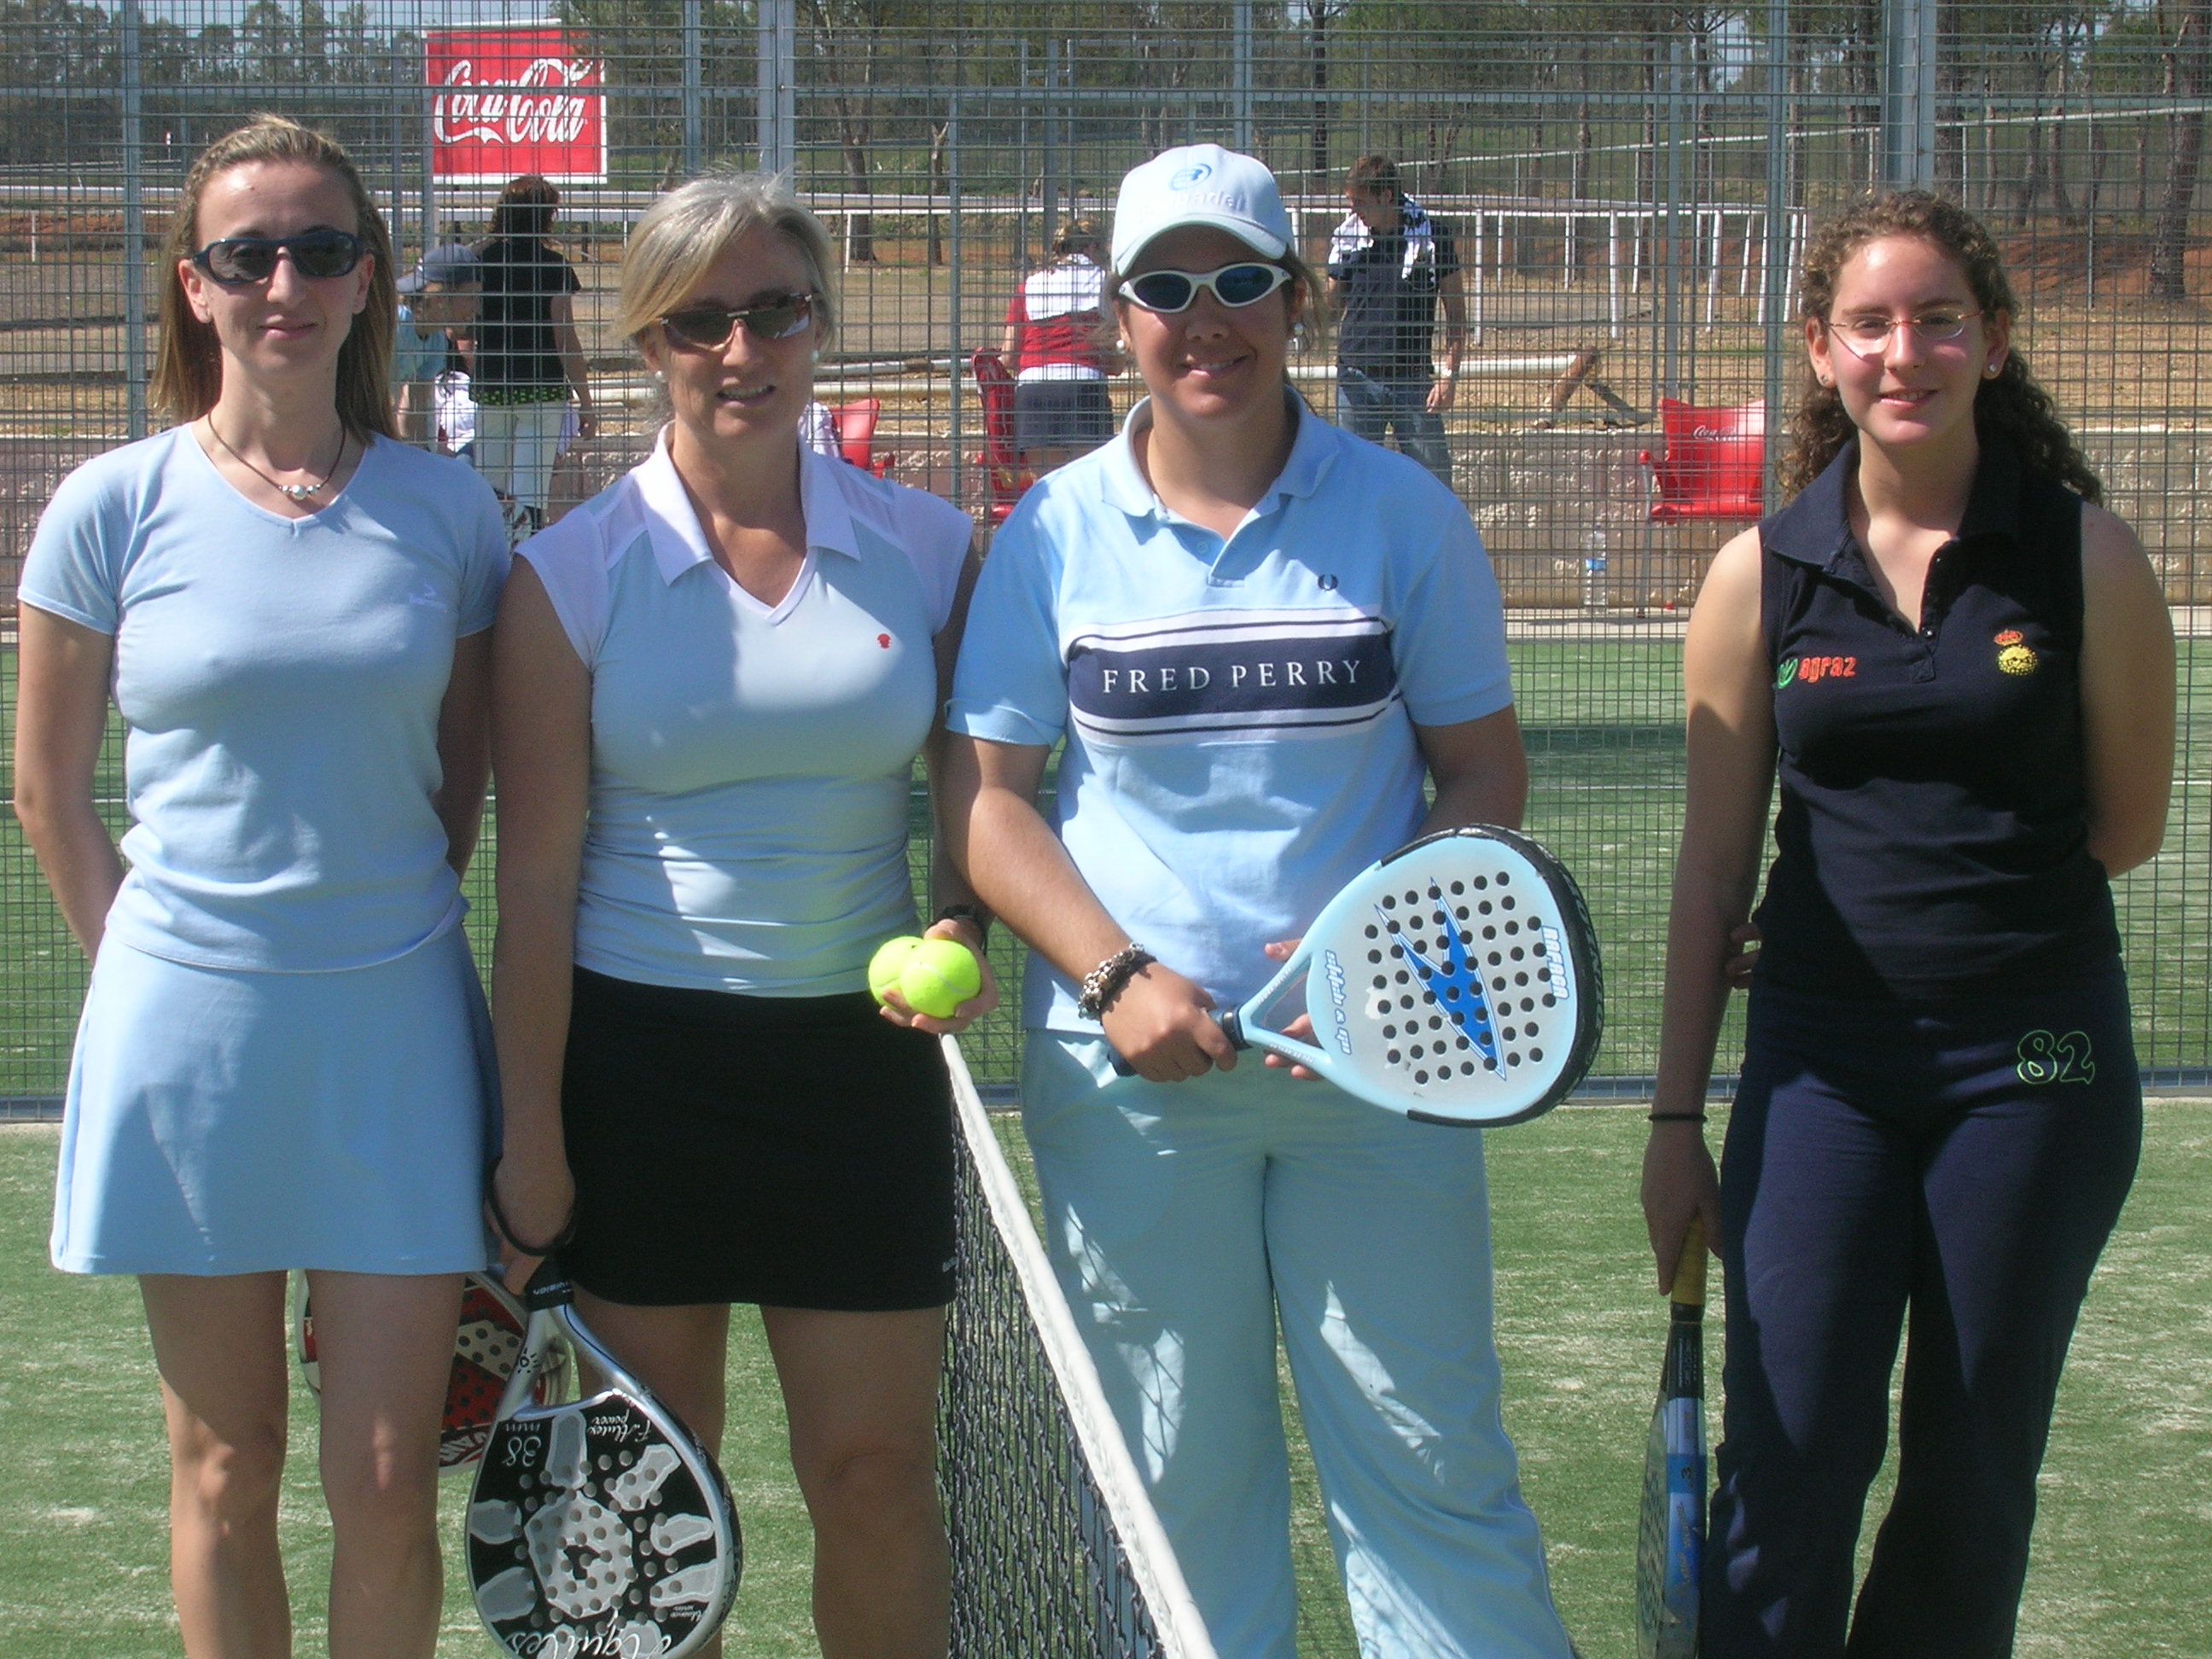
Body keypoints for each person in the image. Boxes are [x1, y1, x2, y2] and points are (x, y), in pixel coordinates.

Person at [943, 143, 1574, 1659]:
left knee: (1430, 1462)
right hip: (1131, 1083)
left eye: (1239, 280)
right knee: (1170, 1486)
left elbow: (1482, 772)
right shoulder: (1050, 531)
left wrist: (1379, 945)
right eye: (1166, 287)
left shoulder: (1402, 515)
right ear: (1119, 317)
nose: (1204, 317)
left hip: (1382, 1066)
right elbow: (987, 801)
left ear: (1296, 298)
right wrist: (1115, 979)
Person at [1640, 191, 2174, 1658]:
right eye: (1868, 323)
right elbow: (1711, 869)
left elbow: (2125, 824)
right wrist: (1674, 1121)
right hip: (1821, 1072)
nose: (1903, 352)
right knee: (1788, 1463)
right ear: (1820, 350)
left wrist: (1959, 919)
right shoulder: (1759, 574)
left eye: (1938, 319)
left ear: (1992, 342)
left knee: (1970, 1479)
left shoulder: (2086, 557)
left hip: (2038, 1071)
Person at [11, 115, 506, 1658]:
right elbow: (49, 793)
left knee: (387, 1479)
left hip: (395, 1033)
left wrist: (365, 926)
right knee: (225, 1465)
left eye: (321, 249)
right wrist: (159, 971)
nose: (284, 282)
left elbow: (461, 781)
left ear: (367, 282)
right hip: (187, 1041)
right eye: (247, 255)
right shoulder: (110, 504)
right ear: (195, 286)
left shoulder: (448, 511)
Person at [486, 172, 993, 1659]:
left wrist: (961, 923)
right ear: (649, 341)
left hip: (860, 1072)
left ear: (819, 322)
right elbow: (532, 891)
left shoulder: (931, 547)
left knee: (877, 1480)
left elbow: (984, 802)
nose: (741, 349)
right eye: (698, 320)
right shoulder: (567, 574)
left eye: (775, 310)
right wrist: (532, 1144)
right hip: (638, 1074)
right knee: (650, 1502)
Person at [1326, 154, 1464, 488]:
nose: (1353, 211)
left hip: (1413, 382)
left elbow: (1457, 314)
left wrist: (1449, 377)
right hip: (1357, 380)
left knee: (1434, 485)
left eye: (1360, 202)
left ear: (1386, 196)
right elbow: (1330, 308)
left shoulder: (1433, 239)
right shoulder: (1349, 240)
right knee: (1354, 485)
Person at [475, 174, 595, 544]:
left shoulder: (479, 261)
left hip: (492, 384)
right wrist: (586, 401)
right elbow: (565, 337)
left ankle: (488, 553)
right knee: (531, 488)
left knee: (488, 485)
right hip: (542, 388)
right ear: (546, 216)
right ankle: (525, 555)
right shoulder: (554, 266)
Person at [1000, 218, 1119, 472]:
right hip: (1084, 387)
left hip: (1034, 389)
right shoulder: (1106, 285)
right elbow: (1115, 362)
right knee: (1088, 482)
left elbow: (1008, 357)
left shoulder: (1030, 285)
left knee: (1046, 485)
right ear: (1092, 247)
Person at [393, 240, 480, 449]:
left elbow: (415, 408)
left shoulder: (436, 340)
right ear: (441, 298)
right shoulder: (394, 327)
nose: (477, 308)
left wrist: (420, 454)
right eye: (471, 298)